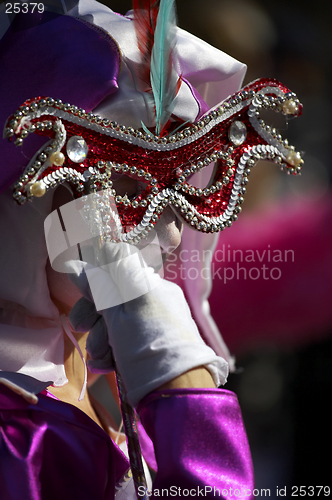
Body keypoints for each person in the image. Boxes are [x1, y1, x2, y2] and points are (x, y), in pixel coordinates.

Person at [0, 1, 256, 498]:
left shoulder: (117, 388)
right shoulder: (15, 440)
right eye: (125, 184)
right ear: (20, 198)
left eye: (183, 188)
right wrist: (188, 396)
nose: (172, 236)